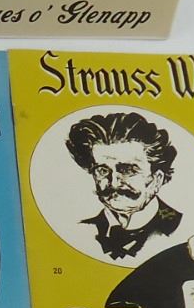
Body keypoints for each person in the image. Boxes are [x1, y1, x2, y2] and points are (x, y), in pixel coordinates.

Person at [65, 110, 182, 260]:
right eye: (102, 170)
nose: (114, 182)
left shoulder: (181, 229)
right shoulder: (80, 230)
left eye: (128, 170)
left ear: (157, 179)